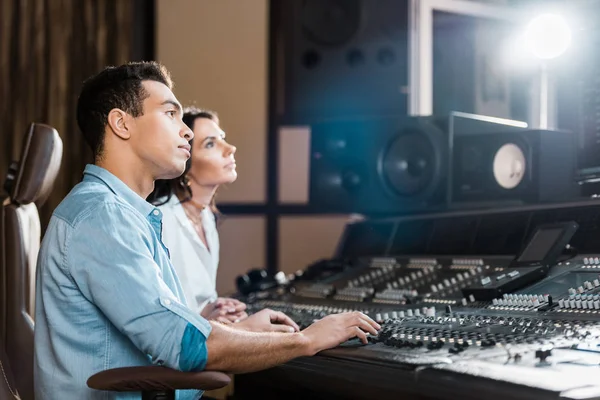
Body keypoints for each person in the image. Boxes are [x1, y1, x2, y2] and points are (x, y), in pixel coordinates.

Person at [33, 61, 380, 399]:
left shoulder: (121, 212)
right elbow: (181, 346)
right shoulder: (103, 215)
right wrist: (306, 340)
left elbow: (160, 334)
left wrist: (241, 331)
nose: (185, 129)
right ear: (121, 124)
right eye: (170, 114)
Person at [147, 107, 246, 324]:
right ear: (185, 161)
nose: (230, 148)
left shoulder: (207, 218)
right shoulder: (161, 220)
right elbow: (158, 317)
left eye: (223, 138)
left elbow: (199, 300)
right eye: (210, 144)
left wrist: (219, 307)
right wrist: (205, 318)